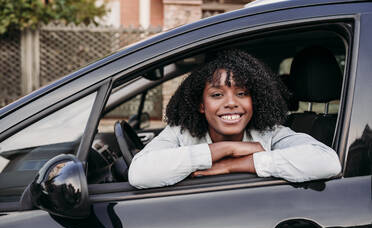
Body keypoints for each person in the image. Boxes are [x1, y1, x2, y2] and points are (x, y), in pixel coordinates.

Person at [128, 49, 341, 189]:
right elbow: (140, 173)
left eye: (241, 94)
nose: (231, 103)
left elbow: (327, 161)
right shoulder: (181, 132)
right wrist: (225, 149)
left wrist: (235, 165)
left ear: (254, 101)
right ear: (201, 105)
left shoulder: (269, 132)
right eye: (217, 95)